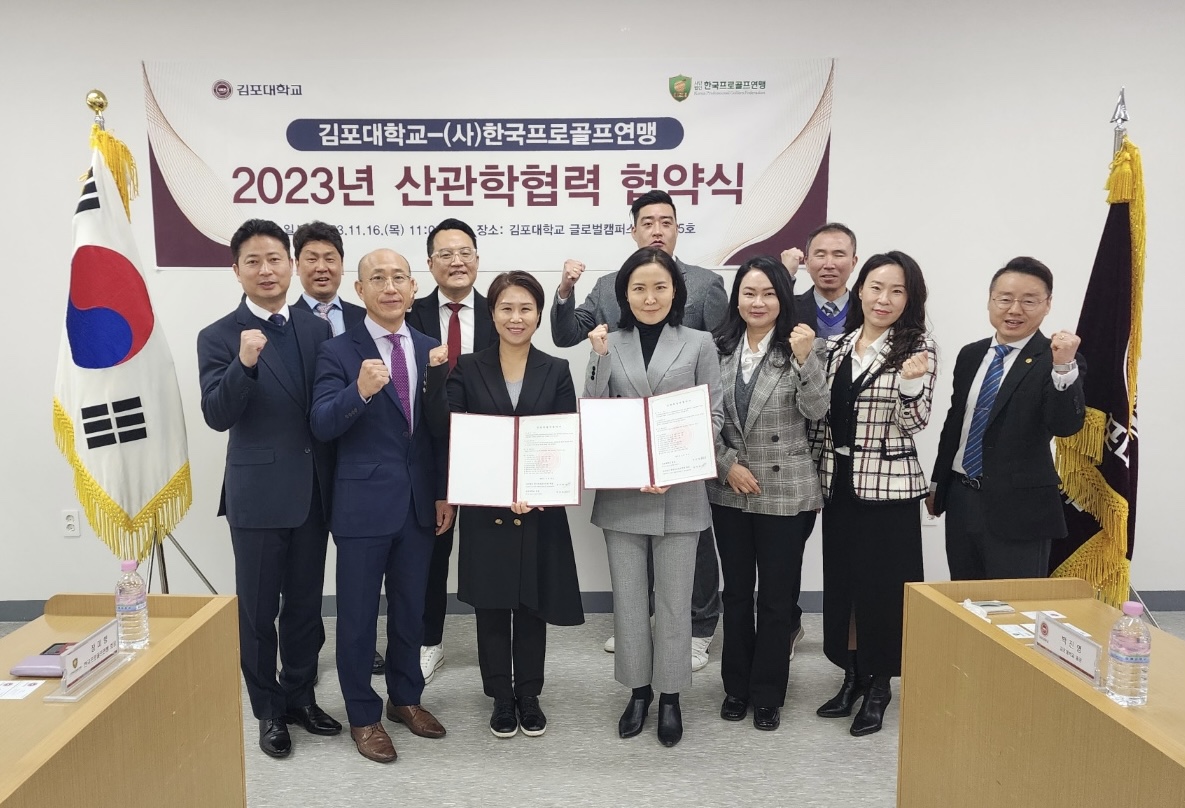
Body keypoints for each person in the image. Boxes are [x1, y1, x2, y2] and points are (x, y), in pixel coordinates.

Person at [554, 189, 727, 669]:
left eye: (666, 220)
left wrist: (683, 460)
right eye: (647, 221)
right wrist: (571, 302)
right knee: (630, 595)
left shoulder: (703, 310)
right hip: (626, 480)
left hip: (682, 474)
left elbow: (713, 397)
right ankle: (636, 679)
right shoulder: (610, 305)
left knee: (683, 582)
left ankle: (687, 653)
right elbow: (594, 399)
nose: (649, 297)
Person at [197, 218, 341, 758]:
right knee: (257, 612)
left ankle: (301, 696)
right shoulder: (218, 336)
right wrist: (244, 363)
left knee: (305, 605)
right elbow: (216, 414)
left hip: (313, 492)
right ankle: (268, 710)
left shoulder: (317, 328)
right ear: (236, 270)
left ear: (292, 265)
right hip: (257, 495)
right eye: (253, 261)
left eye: (275, 259)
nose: (266, 270)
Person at [309, 248, 454, 764]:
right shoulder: (338, 351)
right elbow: (322, 423)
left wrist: (441, 492)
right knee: (357, 618)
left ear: (414, 288)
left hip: (418, 504)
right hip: (362, 506)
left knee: (411, 611)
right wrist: (360, 392)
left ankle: (406, 699)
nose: (389, 287)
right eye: (377, 278)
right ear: (359, 291)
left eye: (399, 278)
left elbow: (437, 432)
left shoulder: (430, 348)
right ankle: (364, 715)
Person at [432, 270, 584, 739]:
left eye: (525, 308)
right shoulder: (467, 368)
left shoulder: (556, 369)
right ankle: (500, 696)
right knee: (492, 606)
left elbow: (564, 437)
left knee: (532, 603)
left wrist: (537, 492)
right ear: (492, 313)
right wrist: (437, 372)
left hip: (539, 507)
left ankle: (530, 694)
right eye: (506, 308)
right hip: (486, 507)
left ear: (538, 314)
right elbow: (450, 429)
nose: (516, 317)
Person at [583, 247, 724, 747]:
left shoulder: (700, 341)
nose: (649, 297)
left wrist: (672, 465)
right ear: (624, 293)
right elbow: (595, 414)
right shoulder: (608, 342)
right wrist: (597, 360)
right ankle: (638, 691)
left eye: (660, 287)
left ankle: (670, 697)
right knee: (628, 600)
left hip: (679, 491)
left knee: (674, 602)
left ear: (676, 292)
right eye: (639, 288)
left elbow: (714, 416)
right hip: (623, 492)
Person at [807, 250, 937, 737]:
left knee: (885, 591)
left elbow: (914, 423)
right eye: (876, 287)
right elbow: (820, 416)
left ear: (910, 299)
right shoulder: (836, 346)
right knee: (846, 586)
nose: (884, 299)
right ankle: (852, 676)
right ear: (858, 291)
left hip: (889, 492)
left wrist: (909, 386)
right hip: (838, 486)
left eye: (897, 290)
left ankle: (880, 685)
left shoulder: (919, 348)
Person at [706, 256, 829, 732]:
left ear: (783, 297)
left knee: (777, 599)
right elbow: (703, 417)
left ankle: (767, 692)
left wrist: (805, 359)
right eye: (749, 293)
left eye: (768, 294)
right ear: (737, 298)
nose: (757, 303)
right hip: (729, 488)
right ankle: (735, 685)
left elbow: (817, 411)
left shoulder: (799, 346)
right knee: (736, 594)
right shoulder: (717, 349)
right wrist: (726, 465)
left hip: (785, 489)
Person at [927, 256, 1085, 580]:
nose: (1015, 310)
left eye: (1029, 301)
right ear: (990, 300)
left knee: (1014, 611)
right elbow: (956, 422)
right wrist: (937, 483)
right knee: (964, 602)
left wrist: (1063, 368)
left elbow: (1065, 425)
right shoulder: (971, 354)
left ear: (1047, 305)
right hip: (961, 497)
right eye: (1005, 299)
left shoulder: (1057, 359)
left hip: (1020, 511)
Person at [404, 218, 498, 683]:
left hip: (487, 450)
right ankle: (429, 642)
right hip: (427, 449)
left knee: (489, 550)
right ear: (429, 264)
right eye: (445, 253)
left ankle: (495, 652)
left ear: (477, 260)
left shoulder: (501, 311)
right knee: (432, 554)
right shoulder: (409, 313)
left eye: (465, 252)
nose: (457, 261)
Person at [781, 222, 859, 338]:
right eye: (820, 255)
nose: (828, 265)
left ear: (853, 263)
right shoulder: (790, 308)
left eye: (838, 255)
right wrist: (785, 274)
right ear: (806, 262)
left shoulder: (866, 310)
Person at [290, 220, 366, 336]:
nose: (321, 268)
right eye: (312, 259)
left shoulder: (365, 318)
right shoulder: (286, 321)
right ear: (298, 265)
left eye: (329, 259)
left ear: (342, 265)